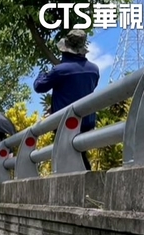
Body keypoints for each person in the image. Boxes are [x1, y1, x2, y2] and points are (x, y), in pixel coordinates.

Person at [33, 29, 101, 171]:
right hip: (87, 122)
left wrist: (41, 74)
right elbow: (83, 91)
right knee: (80, 155)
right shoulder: (94, 70)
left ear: (65, 50)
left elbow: (39, 87)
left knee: (66, 162)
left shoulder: (60, 70)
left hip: (65, 123)